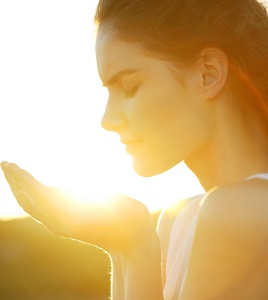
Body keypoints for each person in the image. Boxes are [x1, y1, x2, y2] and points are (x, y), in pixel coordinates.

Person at [2, 0, 268, 298]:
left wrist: (136, 246)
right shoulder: (178, 221)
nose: (107, 120)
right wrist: (127, 246)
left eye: (129, 87)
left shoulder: (237, 215)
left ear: (208, 73)